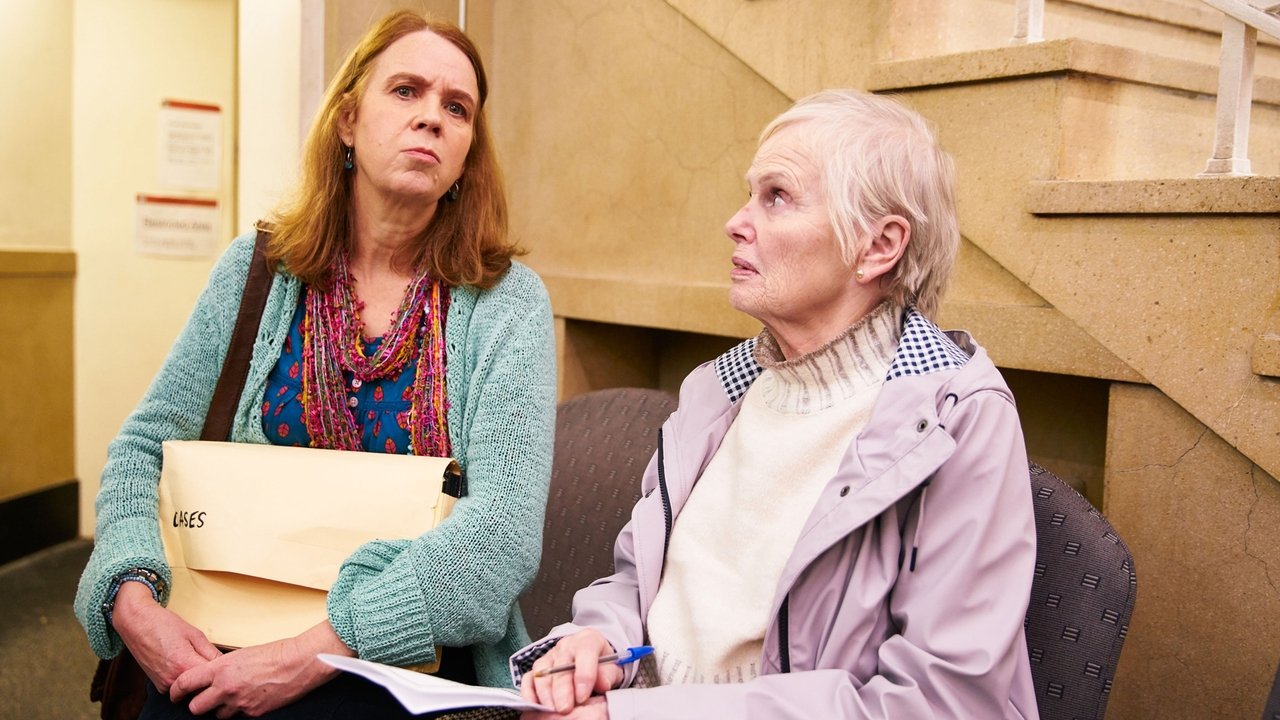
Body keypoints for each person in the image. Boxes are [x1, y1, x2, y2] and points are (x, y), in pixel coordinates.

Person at [74, 10, 556, 719]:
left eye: (458, 108)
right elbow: (143, 448)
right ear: (348, 121)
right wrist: (133, 602)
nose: (432, 117)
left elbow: (502, 536)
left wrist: (312, 654)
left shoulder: (507, 302)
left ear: (467, 156)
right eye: (406, 91)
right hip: (216, 643)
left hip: (406, 669)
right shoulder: (257, 270)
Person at [513, 90, 1039, 719]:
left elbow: (943, 702)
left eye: (777, 197)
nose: (736, 222)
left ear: (878, 246)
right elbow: (638, 581)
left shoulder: (961, 418)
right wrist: (597, 642)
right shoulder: (719, 392)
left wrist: (635, 716)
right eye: (750, 194)